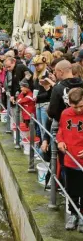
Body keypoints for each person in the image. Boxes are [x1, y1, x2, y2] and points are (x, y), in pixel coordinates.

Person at [56, 88, 83, 231]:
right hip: (70, 158)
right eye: (75, 107)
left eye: (81, 106)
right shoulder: (65, 114)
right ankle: (73, 214)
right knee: (71, 189)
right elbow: (60, 130)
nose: (78, 110)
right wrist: (60, 141)